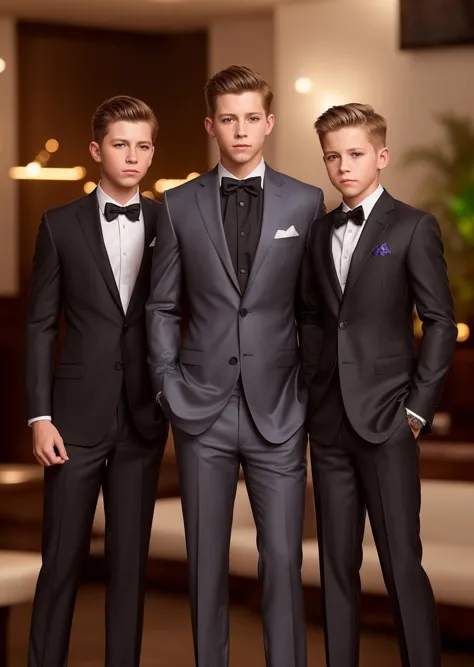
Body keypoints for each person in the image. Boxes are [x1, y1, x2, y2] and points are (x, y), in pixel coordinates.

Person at [146, 65, 325, 667]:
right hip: (201, 409)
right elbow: (163, 304)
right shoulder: (176, 204)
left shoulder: (307, 200)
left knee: (282, 559)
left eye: (252, 118)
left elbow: (314, 309)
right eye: (228, 119)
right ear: (210, 126)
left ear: (269, 123)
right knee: (206, 565)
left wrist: (307, 387)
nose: (240, 131)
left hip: (279, 409)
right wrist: (169, 383)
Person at [299, 102, 458, 667]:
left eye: (356, 154)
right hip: (330, 424)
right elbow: (315, 318)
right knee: (335, 567)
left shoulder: (414, 227)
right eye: (333, 156)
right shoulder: (318, 231)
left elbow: (439, 322)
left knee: (399, 564)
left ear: (381, 157)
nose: (343, 166)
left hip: (390, 421)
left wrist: (417, 409)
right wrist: (311, 393)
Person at [26, 95, 168, 667]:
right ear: (96, 149)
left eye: (142, 146)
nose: (132, 156)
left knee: (130, 568)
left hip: (143, 418)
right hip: (72, 421)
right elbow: (39, 325)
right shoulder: (58, 226)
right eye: (120, 144)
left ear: (152, 151)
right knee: (60, 561)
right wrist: (40, 416)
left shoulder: (170, 220)